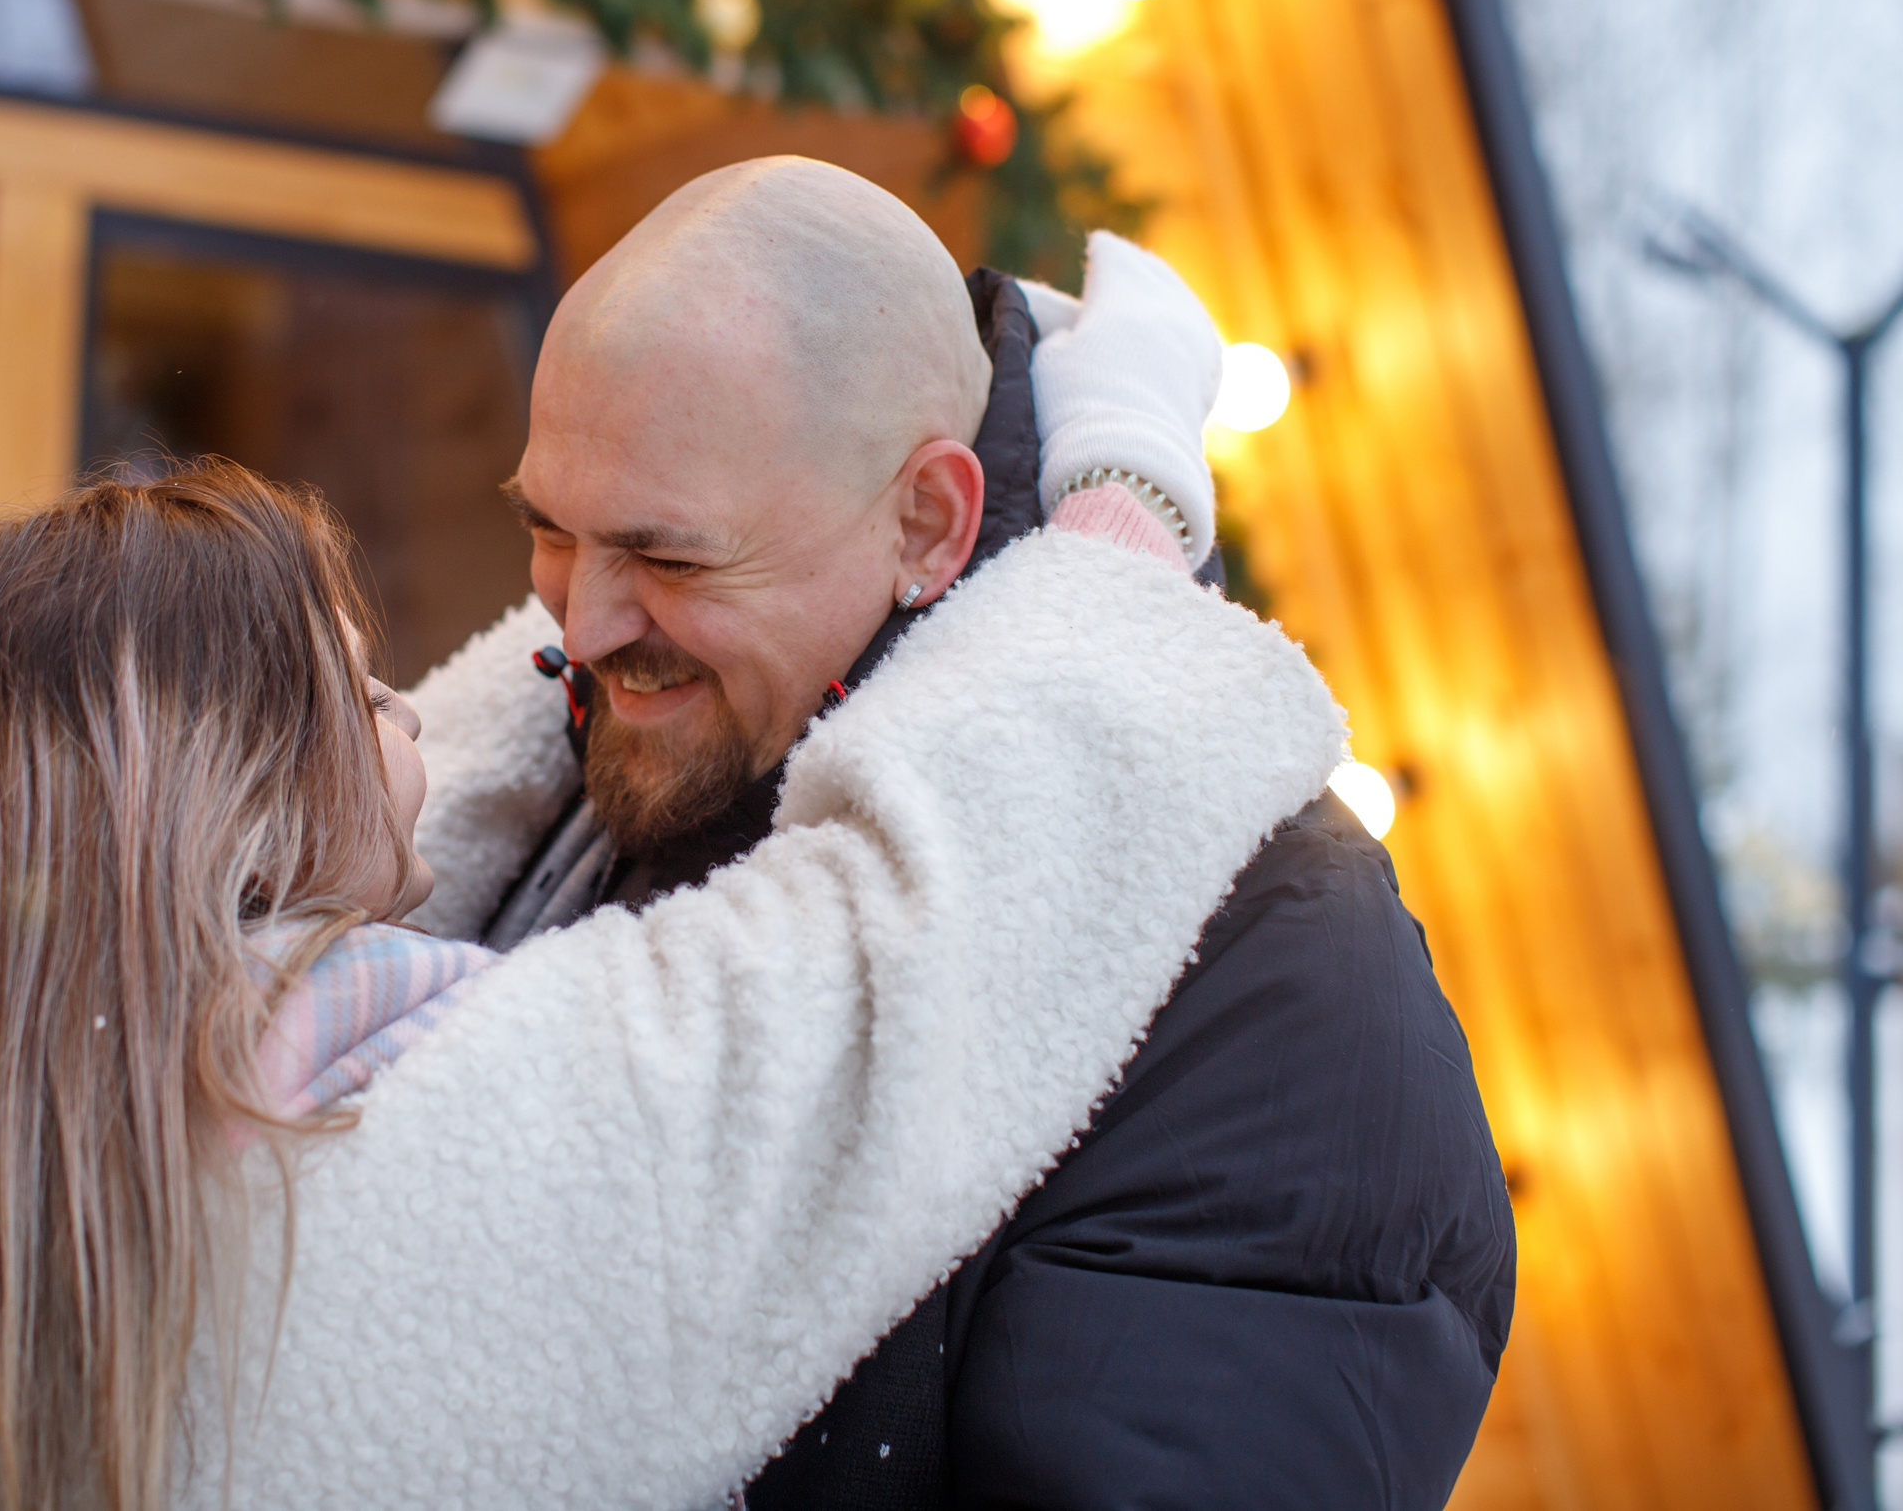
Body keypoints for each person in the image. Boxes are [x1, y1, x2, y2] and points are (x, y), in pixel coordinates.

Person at [0, 455, 1346, 1510]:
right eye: (365, 688)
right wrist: (1122, 524)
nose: (434, 711)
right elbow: (875, 967)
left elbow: (438, 786)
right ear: (234, 815)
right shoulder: (335, 1201)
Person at [406, 156, 1517, 1508]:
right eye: (551, 533)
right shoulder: (582, 775)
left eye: (671, 557)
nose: (580, 629)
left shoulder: (1264, 979)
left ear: (925, 522)